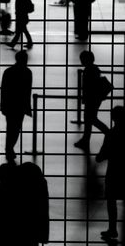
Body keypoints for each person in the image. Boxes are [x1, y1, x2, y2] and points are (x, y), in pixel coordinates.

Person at [96, 106, 125, 241]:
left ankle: (112, 229)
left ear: (113, 118)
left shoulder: (111, 134)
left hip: (113, 171)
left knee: (111, 201)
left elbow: (102, 155)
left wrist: (99, 157)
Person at [0, 50, 32, 161]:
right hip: (20, 105)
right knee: (16, 128)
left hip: (10, 104)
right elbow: (27, 91)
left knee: (10, 127)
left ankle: (9, 148)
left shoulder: (8, 71)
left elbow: (3, 90)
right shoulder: (27, 72)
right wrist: (28, 107)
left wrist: (2, 105)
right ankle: (10, 148)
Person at [74, 51, 109, 151]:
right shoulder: (93, 69)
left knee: (91, 119)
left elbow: (89, 87)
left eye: (82, 59)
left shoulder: (89, 70)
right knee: (89, 119)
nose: (81, 61)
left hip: (91, 99)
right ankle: (85, 140)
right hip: (94, 98)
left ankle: (108, 133)